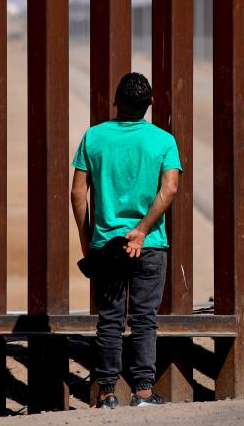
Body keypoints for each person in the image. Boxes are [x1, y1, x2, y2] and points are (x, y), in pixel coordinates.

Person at [70, 72, 182, 409]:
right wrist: (144, 229)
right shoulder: (164, 141)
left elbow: (77, 193)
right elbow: (170, 188)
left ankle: (106, 394)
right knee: (145, 318)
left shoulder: (94, 137)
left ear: (116, 102)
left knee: (110, 319)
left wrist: (87, 239)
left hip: (107, 245)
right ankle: (144, 393)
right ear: (150, 104)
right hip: (150, 245)